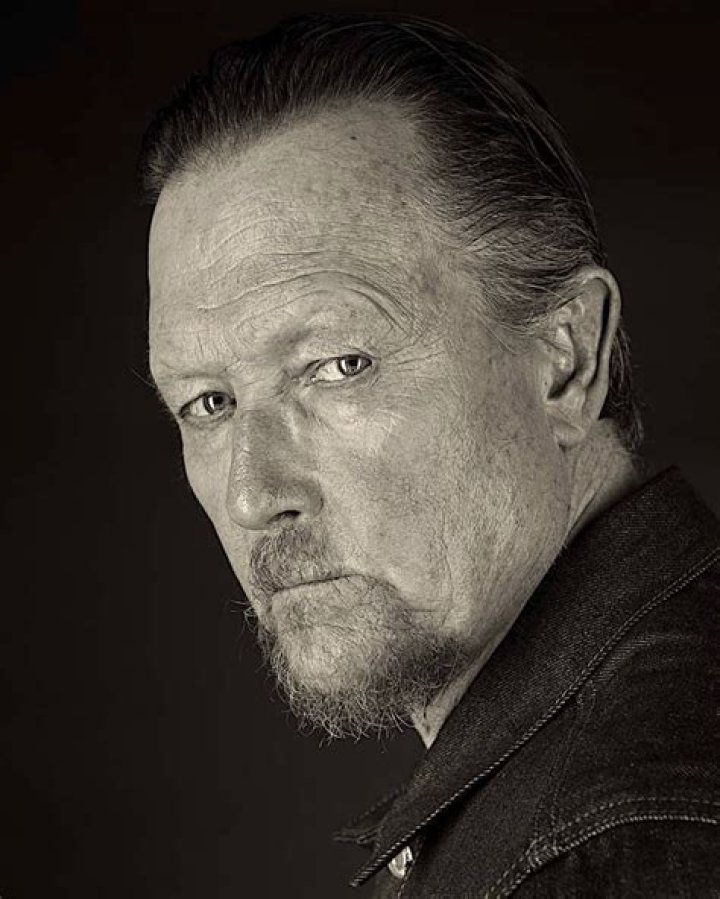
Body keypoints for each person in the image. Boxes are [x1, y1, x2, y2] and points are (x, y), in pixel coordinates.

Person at [141, 13, 720, 896]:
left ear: (566, 357)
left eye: (339, 364)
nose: (255, 494)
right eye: (209, 403)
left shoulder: (618, 843)